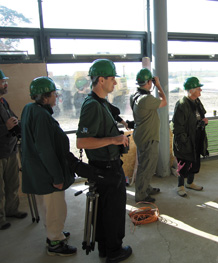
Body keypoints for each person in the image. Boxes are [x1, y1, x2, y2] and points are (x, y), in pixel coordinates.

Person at [76, 59, 132, 263]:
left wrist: (120, 122)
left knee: (104, 210)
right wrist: (115, 139)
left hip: (106, 166)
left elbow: (111, 112)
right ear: (101, 80)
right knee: (114, 211)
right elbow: (82, 142)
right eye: (112, 79)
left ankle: (104, 248)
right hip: (106, 168)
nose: (115, 83)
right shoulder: (92, 106)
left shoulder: (101, 102)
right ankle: (114, 251)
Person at [20, 76, 77, 256]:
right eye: (53, 94)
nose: (56, 97)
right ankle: (55, 242)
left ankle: (54, 234)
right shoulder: (41, 116)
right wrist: (57, 177)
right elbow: (45, 149)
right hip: (46, 174)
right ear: (44, 97)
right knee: (55, 208)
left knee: (46, 207)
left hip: (37, 171)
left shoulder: (29, 109)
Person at [130, 68, 167, 203]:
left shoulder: (135, 95)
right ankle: (141, 194)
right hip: (148, 137)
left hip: (141, 135)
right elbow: (164, 101)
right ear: (149, 82)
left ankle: (146, 187)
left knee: (146, 164)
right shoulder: (146, 99)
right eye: (151, 81)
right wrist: (158, 85)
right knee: (146, 166)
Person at [171, 77, 209, 197]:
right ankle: (180, 186)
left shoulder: (196, 102)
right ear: (191, 90)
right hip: (186, 139)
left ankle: (190, 183)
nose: (200, 90)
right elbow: (177, 126)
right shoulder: (182, 104)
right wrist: (184, 142)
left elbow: (199, 117)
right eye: (198, 88)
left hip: (197, 136)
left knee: (194, 161)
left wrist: (203, 122)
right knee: (184, 163)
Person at [0, 69, 27, 230]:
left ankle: (11, 209)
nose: (5, 84)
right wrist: (6, 128)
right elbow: (7, 126)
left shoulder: (3, 102)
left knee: (12, 184)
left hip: (10, 150)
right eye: (2, 82)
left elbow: (12, 120)